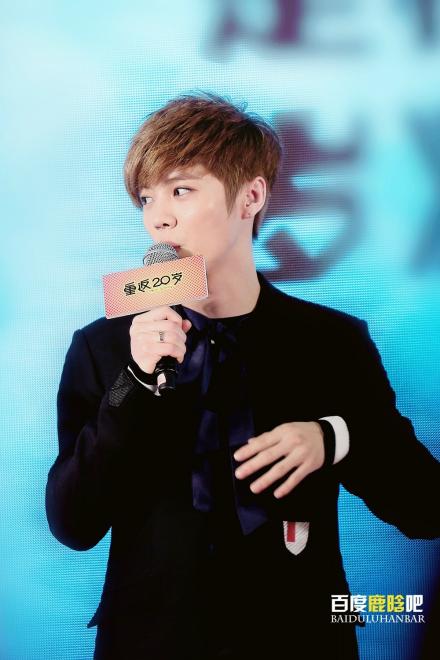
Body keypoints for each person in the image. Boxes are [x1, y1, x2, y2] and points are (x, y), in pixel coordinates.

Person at [46, 93, 440, 659]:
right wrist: (133, 379)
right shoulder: (103, 346)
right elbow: (72, 524)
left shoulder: (329, 342)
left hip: (299, 639)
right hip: (149, 642)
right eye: (146, 197)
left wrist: (334, 438)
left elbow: (425, 508)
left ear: (250, 197)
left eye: (181, 190)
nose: (158, 217)